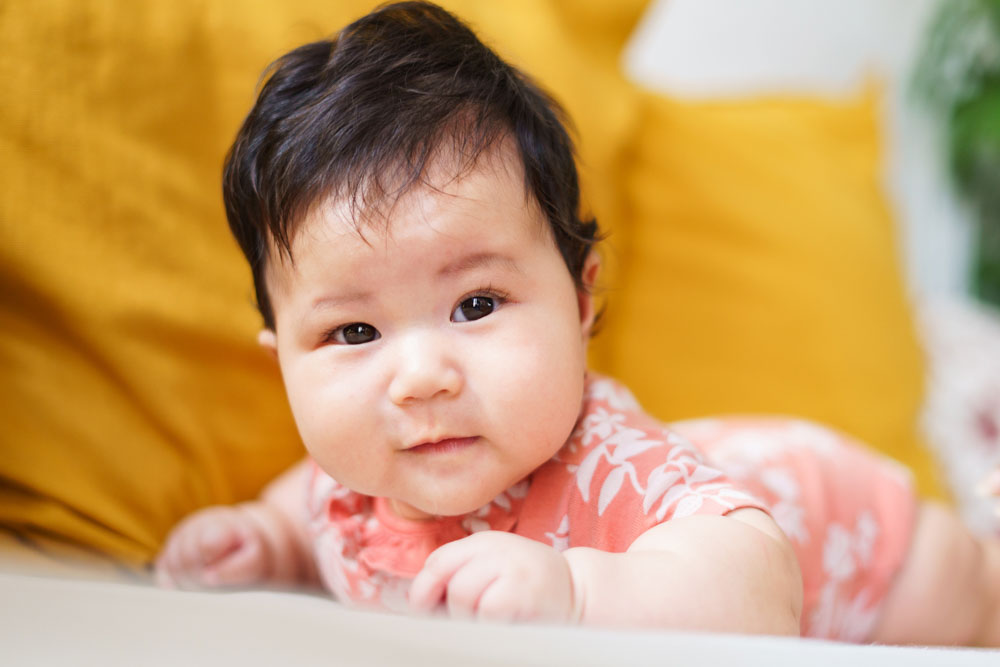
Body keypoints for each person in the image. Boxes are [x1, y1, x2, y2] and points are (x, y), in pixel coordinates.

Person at [155, 1, 1000, 645]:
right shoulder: (352, 479)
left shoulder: (618, 466)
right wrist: (264, 539)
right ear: (284, 361)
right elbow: (304, 505)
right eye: (353, 333)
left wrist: (580, 594)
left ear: (582, 300)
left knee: (964, 592)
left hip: (855, 534)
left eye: (476, 305)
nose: (419, 375)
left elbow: (763, 592)